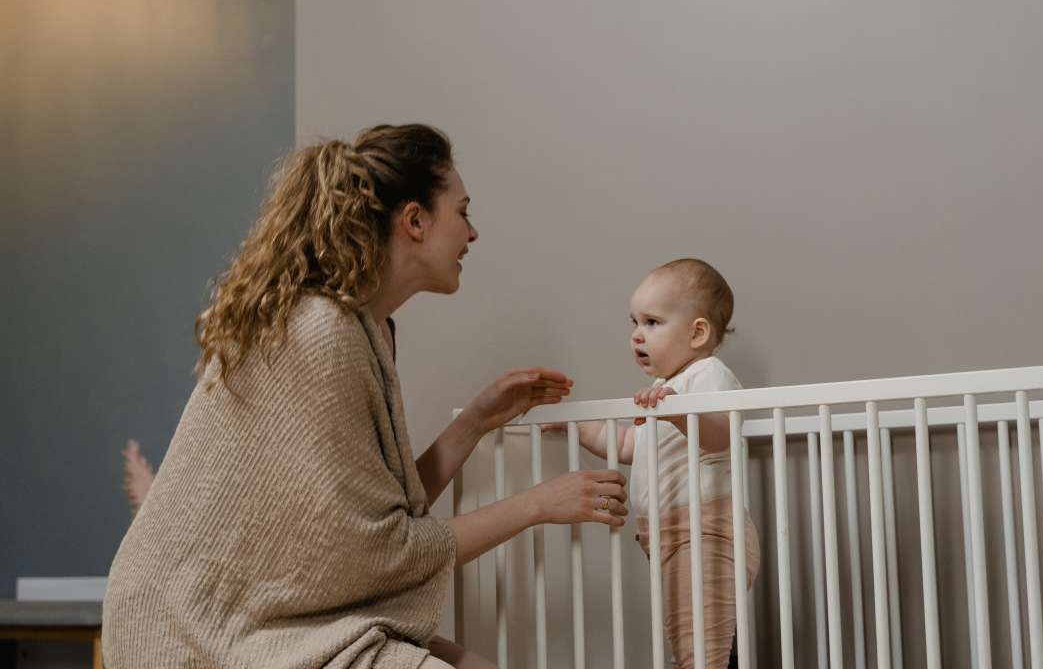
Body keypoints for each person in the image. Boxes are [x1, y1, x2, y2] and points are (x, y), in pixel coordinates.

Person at [102, 124, 628, 669]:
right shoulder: (321, 333)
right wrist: (539, 503)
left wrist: (475, 422)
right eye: (463, 211)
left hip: (254, 618)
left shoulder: (364, 330)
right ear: (416, 220)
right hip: (189, 630)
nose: (472, 234)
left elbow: (361, 521)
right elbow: (378, 551)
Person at [549, 258, 760, 669]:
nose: (636, 336)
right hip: (669, 537)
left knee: (700, 651)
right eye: (634, 322)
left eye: (652, 322)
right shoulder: (663, 389)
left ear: (698, 332)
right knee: (696, 642)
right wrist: (577, 426)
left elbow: (720, 434)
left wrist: (678, 412)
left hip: (707, 532)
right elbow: (630, 444)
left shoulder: (707, 375)